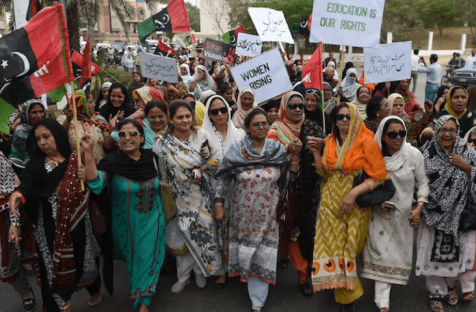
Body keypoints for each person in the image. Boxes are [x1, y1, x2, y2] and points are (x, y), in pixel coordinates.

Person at [9, 119, 101, 312]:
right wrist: (18, 195)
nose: (42, 142)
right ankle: (59, 304)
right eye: (38, 139)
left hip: (79, 222)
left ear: (57, 135)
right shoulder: (35, 165)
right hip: (50, 228)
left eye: (46, 137)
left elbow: (96, 185)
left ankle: (94, 290)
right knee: (53, 270)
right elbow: (25, 186)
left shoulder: (77, 158)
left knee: (86, 263)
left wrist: (89, 154)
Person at [214, 108, 298, 312]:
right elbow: (224, 178)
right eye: (256, 124)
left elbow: (290, 178)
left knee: (264, 253)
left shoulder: (277, 150)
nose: (261, 127)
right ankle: (248, 279)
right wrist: (218, 203)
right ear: (247, 128)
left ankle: (257, 300)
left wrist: (294, 157)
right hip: (242, 215)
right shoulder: (236, 150)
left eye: (264, 124)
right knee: (247, 251)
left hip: (269, 214)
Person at [309, 103, 388, 312]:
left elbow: (379, 177)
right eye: (339, 117)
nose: (344, 120)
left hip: (356, 205)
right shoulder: (330, 141)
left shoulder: (367, 141)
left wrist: (352, 194)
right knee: (333, 249)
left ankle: (345, 290)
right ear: (334, 121)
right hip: (329, 203)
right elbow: (326, 175)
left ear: (355, 118)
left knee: (350, 249)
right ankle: (347, 298)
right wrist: (317, 154)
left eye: (347, 116)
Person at [82, 119, 166, 312]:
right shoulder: (112, 162)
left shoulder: (151, 158)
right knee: (135, 258)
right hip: (125, 224)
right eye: (122, 134)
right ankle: (139, 287)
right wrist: (88, 152)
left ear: (142, 137)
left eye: (133, 134)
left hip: (154, 217)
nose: (127, 138)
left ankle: (143, 300)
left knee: (148, 255)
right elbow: (95, 183)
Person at [361, 116, 430, 312]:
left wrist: (418, 208)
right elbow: (365, 182)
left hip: (403, 215)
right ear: (382, 136)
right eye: (392, 133)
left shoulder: (414, 154)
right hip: (378, 212)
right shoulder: (373, 155)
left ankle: (384, 291)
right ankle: (382, 300)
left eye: (402, 133)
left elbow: (423, 182)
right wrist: (377, 201)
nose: (398, 137)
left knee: (396, 253)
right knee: (379, 250)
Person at [153, 101, 221, 294]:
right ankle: (183, 277)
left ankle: (200, 271)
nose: (185, 120)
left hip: (202, 194)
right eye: (180, 117)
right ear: (171, 119)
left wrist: (201, 169)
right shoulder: (162, 142)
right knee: (182, 236)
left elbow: (215, 159)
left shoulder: (202, 135)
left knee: (203, 234)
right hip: (177, 197)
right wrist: (168, 194)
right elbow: (163, 172)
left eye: (188, 116)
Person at [416, 115, 476, 312]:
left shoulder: (468, 153)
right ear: (437, 131)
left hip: (460, 215)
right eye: (443, 129)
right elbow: (419, 183)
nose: (447, 134)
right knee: (432, 254)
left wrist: (467, 168)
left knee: (458, 254)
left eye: (452, 130)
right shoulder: (427, 154)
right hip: (434, 214)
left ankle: (451, 286)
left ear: (457, 131)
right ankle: (435, 292)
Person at [201, 95, 245, 288]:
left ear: (228, 110)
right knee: (216, 229)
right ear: (209, 115)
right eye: (214, 111)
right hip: (212, 188)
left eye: (223, 110)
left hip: (237, 189)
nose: (219, 114)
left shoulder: (240, 134)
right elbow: (201, 163)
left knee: (235, 228)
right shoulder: (202, 135)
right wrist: (212, 165)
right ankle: (220, 270)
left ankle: (234, 265)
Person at [0, 151, 36, 312]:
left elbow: (11, 191)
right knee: (4, 268)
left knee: (27, 254)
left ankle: (36, 293)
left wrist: (15, 222)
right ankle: (25, 292)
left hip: (6, 216)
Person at [57, 90, 112, 162]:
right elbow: (60, 140)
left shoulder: (98, 119)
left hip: (100, 168)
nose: (94, 104)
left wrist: (112, 129)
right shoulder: (64, 119)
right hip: (78, 168)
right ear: (81, 104)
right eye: (90, 102)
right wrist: (68, 120)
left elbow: (108, 146)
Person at [9, 100, 46, 172]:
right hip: (25, 170)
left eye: (41, 111)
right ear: (26, 114)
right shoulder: (21, 132)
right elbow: (16, 155)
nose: (39, 116)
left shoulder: (49, 128)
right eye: (34, 112)